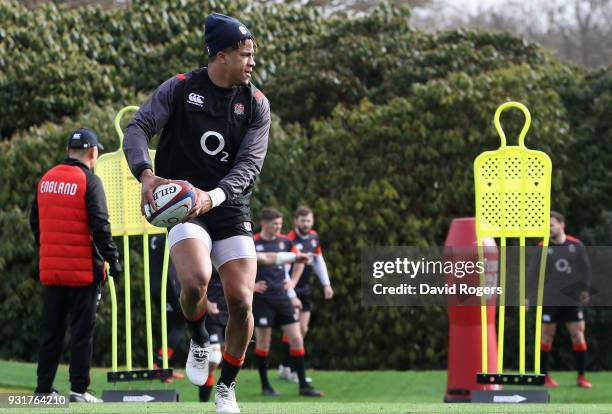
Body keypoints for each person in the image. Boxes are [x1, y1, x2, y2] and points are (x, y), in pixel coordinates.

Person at [123, 12, 270, 413]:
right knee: (196, 282)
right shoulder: (181, 88)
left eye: (252, 54)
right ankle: (200, 338)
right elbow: (137, 127)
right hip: (185, 205)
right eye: (245, 54)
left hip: (228, 204)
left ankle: (226, 388)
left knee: (241, 301)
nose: (252, 62)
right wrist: (147, 176)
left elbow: (249, 166)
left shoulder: (256, 104)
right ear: (220, 56)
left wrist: (214, 197)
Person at [30, 128, 122, 403]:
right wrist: (113, 260)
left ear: (68, 150)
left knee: (51, 332)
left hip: (52, 269)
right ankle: (78, 389)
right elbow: (100, 226)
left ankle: (43, 390)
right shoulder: (89, 181)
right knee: (82, 332)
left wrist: (48, 250)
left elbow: (35, 222)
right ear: (93, 152)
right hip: (83, 271)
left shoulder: (46, 179)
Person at [252, 207, 324, 397]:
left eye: (280, 224)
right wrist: (251, 286)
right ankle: (265, 386)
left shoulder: (285, 241)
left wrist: (292, 282)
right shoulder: (252, 242)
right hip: (262, 300)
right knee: (263, 344)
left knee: (297, 338)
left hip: (282, 297)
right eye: (275, 224)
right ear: (264, 224)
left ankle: (303, 386)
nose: (278, 227)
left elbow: (301, 260)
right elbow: (238, 267)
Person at [532, 211, 593, 388]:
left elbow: (586, 270)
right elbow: (532, 273)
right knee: (546, 336)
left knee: (578, 335)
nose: (548, 229)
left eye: (551, 225)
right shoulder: (542, 247)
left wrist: (585, 290)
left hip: (571, 299)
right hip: (550, 299)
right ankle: (544, 377)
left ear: (561, 225)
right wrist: (528, 296)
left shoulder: (576, 245)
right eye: (546, 226)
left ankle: (582, 377)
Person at [279, 206, 333, 382]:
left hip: (306, 289)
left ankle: (285, 366)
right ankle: (294, 370)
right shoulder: (289, 240)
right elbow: (284, 270)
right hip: (291, 289)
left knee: (302, 329)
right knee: (295, 332)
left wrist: (326, 284)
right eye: (303, 220)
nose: (306, 224)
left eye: (309, 220)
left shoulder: (314, 237)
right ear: (295, 221)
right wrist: (291, 293)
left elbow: (318, 260)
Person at [148, 234, 186, 382]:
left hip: (153, 285)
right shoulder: (168, 235)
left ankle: (162, 368)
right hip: (168, 287)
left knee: (167, 327)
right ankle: (159, 364)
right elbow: (171, 266)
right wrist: (179, 291)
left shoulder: (151, 234)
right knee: (179, 326)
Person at [200, 269, 228, 402]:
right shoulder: (206, 255)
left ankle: (225, 397)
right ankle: (203, 403)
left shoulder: (237, 254)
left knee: (231, 360)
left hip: (231, 312)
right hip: (213, 314)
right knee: (214, 358)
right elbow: (193, 282)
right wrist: (206, 302)